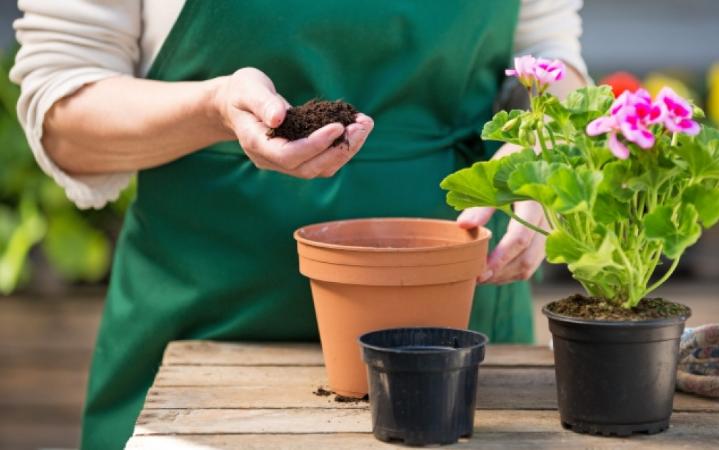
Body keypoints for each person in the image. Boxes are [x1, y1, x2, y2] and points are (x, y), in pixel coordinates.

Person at [11, 1, 588, 448]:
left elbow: (548, 56)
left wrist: (543, 145)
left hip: (454, 350)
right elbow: (63, 114)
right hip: (206, 347)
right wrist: (213, 108)